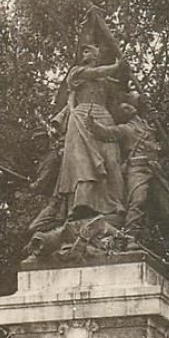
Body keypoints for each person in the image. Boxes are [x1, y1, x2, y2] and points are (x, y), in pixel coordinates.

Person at [51, 44, 127, 222]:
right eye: (83, 51)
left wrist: (125, 70)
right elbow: (95, 73)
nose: (84, 54)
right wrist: (116, 66)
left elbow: (119, 98)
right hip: (81, 117)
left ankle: (116, 203)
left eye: (88, 50)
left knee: (112, 160)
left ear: (97, 55)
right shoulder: (76, 72)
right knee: (83, 163)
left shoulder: (107, 82)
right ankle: (82, 203)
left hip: (103, 115)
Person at [87, 97, 169, 245]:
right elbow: (106, 133)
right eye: (123, 108)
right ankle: (130, 236)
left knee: (164, 208)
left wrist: (160, 120)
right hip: (137, 168)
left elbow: (165, 144)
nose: (127, 107)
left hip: (154, 169)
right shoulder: (125, 129)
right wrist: (92, 124)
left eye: (128, 105)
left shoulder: (150, 126)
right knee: (138, 201)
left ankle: (147, 237)